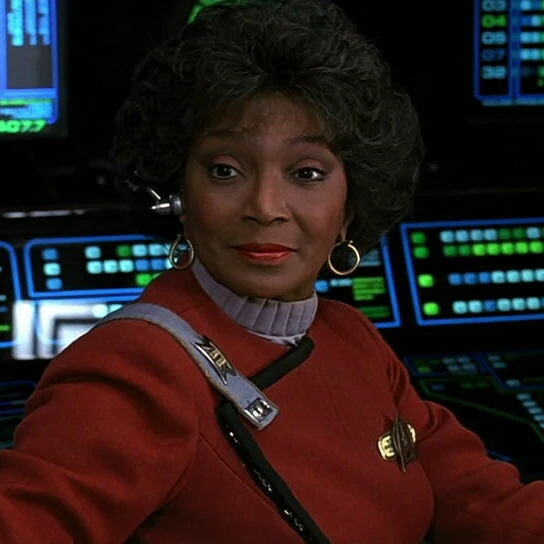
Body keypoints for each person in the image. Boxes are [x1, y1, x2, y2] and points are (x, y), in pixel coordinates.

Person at [0, 0, 543, 542]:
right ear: (178, 195)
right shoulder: (136, 368)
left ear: (350, 205)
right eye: (225, 170)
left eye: (306, 173)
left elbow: (488, 506)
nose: (265, 206)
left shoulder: (353, 339)